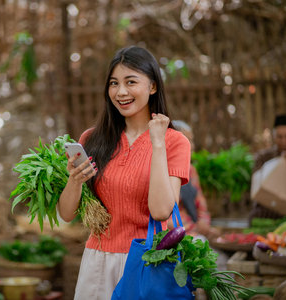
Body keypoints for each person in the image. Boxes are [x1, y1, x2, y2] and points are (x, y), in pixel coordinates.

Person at [57, 46, 191, 300]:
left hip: (147, 262)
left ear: (152, 86)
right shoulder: (92, 139)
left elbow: (161, 211)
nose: (121, 92)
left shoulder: (175, 142)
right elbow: (66, 214)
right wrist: (74, 181)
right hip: (97, 262)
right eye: (114, 83)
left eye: (131, 82)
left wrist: (158, 144)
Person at [172, 120, 221, 241]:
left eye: (192, 140)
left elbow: (201, 204)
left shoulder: (191, 170)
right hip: (176, 234)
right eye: (186, 140)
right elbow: (166, 217)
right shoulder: (164, 172)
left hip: (195, 231)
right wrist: (195, 228)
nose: (192, 146)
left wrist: (203, 223)